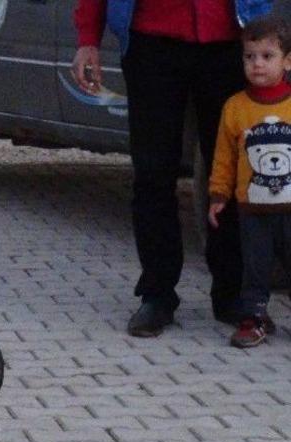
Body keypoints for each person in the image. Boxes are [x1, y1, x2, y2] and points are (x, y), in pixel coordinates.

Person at [72, 0, 274, 337]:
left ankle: (233, 293)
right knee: (153, 172)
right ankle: (157, 295)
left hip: (228, 41)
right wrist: (87, 38)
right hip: (152, 41)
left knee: (232, 173)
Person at [208, 16, 291, 347]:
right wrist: (217, 194)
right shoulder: (235, 108)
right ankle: (253, 317)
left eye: (267, 56)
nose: (257, 64)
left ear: (287, 61)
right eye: (250, 56)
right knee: (255, 267)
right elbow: (224, 157)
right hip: (252, 209)